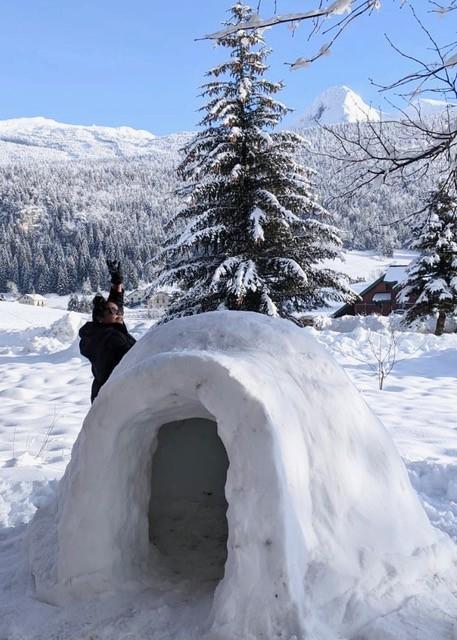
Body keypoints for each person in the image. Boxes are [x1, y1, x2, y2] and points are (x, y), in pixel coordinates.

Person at [79, 260, 136, 403]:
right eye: (112, 311)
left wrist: (117, 282)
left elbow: (115, 303)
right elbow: (135, 357)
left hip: (107, 394)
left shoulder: (101, 329)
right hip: (113, 399)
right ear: (100, 318)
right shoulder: (108, 338)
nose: (118, 313)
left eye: (118, 311)